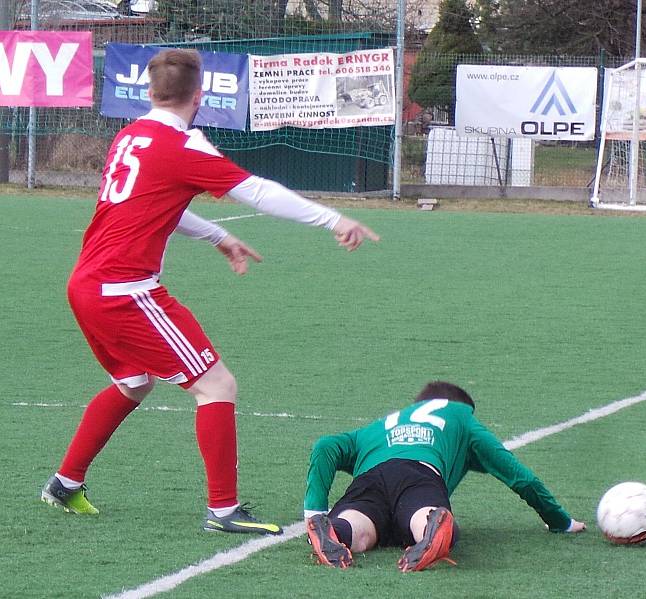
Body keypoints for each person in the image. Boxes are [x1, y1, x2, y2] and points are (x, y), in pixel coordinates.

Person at [40, 48, 379, 535]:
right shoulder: (183, 147)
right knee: (216, 385)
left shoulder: (130, 136)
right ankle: (223, 510)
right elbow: (257, 191)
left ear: (149, 92)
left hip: (87, 284)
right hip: (124, 291)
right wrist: (334, 218)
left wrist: (217, 235)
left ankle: (64, 484)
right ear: (199, 96)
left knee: (134, 382)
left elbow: (156, 204)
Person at [304, 381, 586, 572]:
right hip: (420, 475)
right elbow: (520, 478)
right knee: (421, 515)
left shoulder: (380, 426)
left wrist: (313, 509)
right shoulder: (462, 416)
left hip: (370, 478)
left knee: (359, 528)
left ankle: (332, 530)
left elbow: (325, 446)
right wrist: (561, 521)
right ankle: (431, 529)